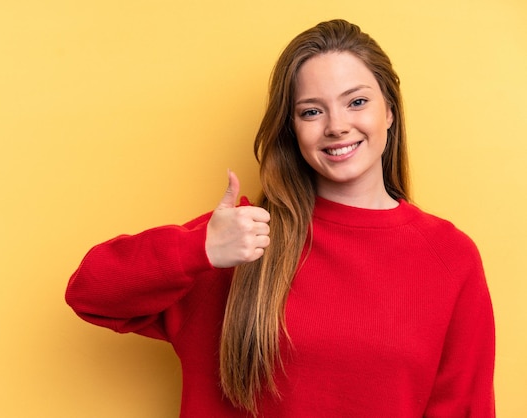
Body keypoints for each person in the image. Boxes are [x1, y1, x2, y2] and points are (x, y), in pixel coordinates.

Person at [65, 19, 495, 417]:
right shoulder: (243, 238)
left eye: (357, 101)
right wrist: (200, 250)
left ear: (389, 111)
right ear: (292, 129)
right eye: (312, 111)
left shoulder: (449, 257)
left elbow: (465, 408)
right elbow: (90, 292)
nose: (336, 126)